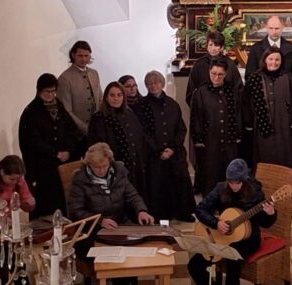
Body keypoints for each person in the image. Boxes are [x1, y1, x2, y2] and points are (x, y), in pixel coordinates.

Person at [68, 142, 154, 285]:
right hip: (92, 230)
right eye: (97, 167)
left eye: (104, 166)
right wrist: (101, 221)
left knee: (131, 253)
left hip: (119, 224)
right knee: (112, 255)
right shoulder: (80, 179)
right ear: (89, 165)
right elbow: (76, 211)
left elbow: (132, 196)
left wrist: (141, 211)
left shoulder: (119, 172)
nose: (101, 171)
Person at [187, 159, 276, 285]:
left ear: (244, 180)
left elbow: (265, 223)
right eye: (231, 182)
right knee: (194, 265)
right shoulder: (221, 188)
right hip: (221, 236)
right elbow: (200, 209)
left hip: (248, 240)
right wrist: (216, 223)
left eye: (237, 182)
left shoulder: (255, 193)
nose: (233, 186)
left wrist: (271, 213)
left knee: (232, 259)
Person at [135, 70, 196, 221]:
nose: (152, 85)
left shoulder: (172, 104)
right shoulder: (141, 106)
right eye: (149, 83)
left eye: (155, 82)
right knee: (158, 184)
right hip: (154, 155)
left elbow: (180, 129)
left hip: (174, 152)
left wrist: (172, 148)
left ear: (161, 83)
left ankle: (183, 213)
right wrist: (158, 151)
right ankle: (162, 216)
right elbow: (142, 133)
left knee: (180, 179)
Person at [19, 73, 82, 218]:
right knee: (45, 204)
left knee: (62, 203)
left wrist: (68, 150)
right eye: (47, 91)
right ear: (39, 91)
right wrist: (54, 153)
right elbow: (31, 141)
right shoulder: (31, 112)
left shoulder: (60, 108)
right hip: (43, 167)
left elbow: (72, 131)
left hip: (62, 165)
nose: (50, 95)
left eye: (53, 91)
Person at [88, 82, 153, 199]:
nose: (116, 98)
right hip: (110, 169)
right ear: (106, 97)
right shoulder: (98, 118)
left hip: (134, 166)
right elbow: (96, 147)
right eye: (112, 95)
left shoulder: (129, 113)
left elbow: (140, 139)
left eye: (119, 95)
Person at [190, 60, 242, 195]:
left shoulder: (232, 91)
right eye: (213, 73)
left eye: (220, 74)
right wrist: (198, 140)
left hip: (229, 140)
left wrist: (237, 135)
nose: (216, 77)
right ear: (209, 72)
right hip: (209, 140)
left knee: (229, 172)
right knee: (210, 173)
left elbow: (238, 114)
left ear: (225, 74)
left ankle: (228, 203)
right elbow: (196, 118)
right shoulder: (201, 92)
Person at [243, 47, 292, 167]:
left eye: (277, 59)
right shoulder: (255, 77)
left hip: (283, 127)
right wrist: (249, 123)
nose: (274, 62)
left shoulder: (287, 77)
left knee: (284, 158)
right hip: (262, 129)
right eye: (271, 59)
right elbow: (246, 102)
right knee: (264, 160)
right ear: (265, 60)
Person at [58, 40, 102, 135]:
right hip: (77, 132)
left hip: (98, 126)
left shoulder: (94, 73)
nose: (83, 59)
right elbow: (67, 110)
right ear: (73, 55)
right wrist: (84, 128)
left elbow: (100, 99)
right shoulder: (65, 78)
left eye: (86, 56)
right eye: (80, 56)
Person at [186, 31, 243, 105]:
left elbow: (238, 89)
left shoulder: (230, 64)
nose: (213, 48)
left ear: (222, 47)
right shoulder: (198, 64)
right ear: (207, 46)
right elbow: (191, 92)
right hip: (204, 108)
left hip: (226, 107)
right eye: (210, 45)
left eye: (216, 45)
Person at [0, 155, 36, 225]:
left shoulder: (19, 180)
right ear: (2, 172)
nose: (15, 182)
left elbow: (25, 204)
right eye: (12, 179)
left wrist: (29, 203)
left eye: (18, 179)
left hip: (8, 222)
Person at [245, 16, 292, 83]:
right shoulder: (256, 48)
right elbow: (249, 75)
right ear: (266, 28)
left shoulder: (291, 48)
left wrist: (287, 83)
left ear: (282, 28)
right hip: (263, 90)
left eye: (277, 28)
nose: (274, 31)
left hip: (285, 90)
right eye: (271, 28)